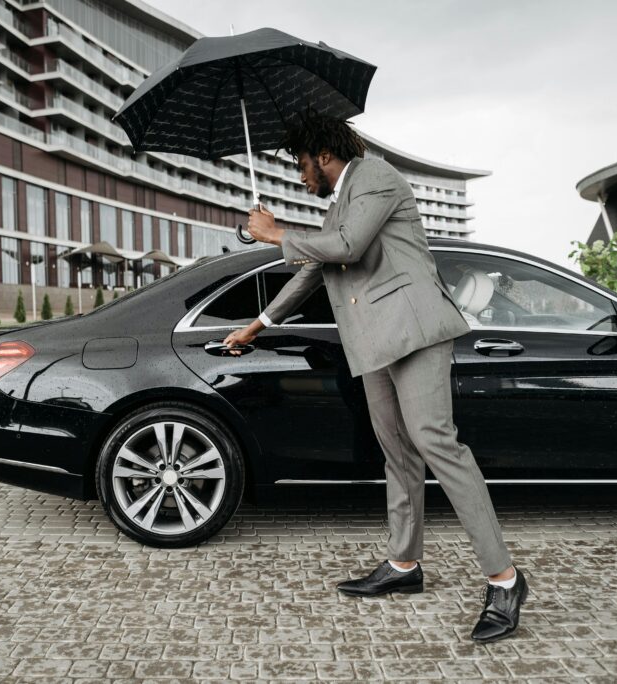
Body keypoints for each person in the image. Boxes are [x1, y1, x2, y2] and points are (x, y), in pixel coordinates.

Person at [222, 113, 527, 643]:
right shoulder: (341, 201)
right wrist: (258, 324)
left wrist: (275, 234)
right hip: (372, 343)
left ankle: (505, 580)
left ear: (321, 156)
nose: (299, 177)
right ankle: (404, 566)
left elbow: (347, 247)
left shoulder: (376, 177)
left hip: (413, 331)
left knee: (437, 443)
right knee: (398, 454)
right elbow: (316, 268)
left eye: (300, 165)